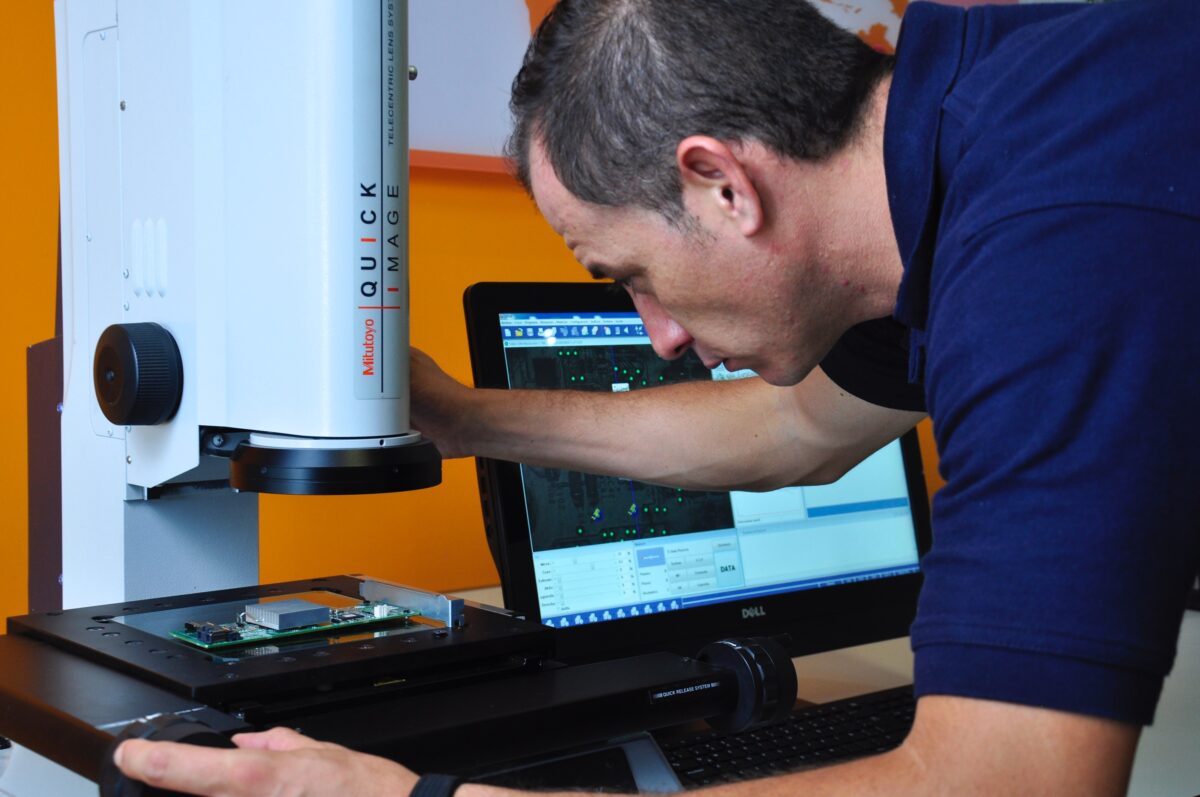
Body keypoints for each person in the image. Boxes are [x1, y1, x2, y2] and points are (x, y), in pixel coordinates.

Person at [116, 0, 1200, 794]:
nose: (661, 335)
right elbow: (796, 427)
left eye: (628, 275)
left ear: (722, 183)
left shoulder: (1053, 252)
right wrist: (462, 416)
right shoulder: (970, 133)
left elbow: (1009, 779)